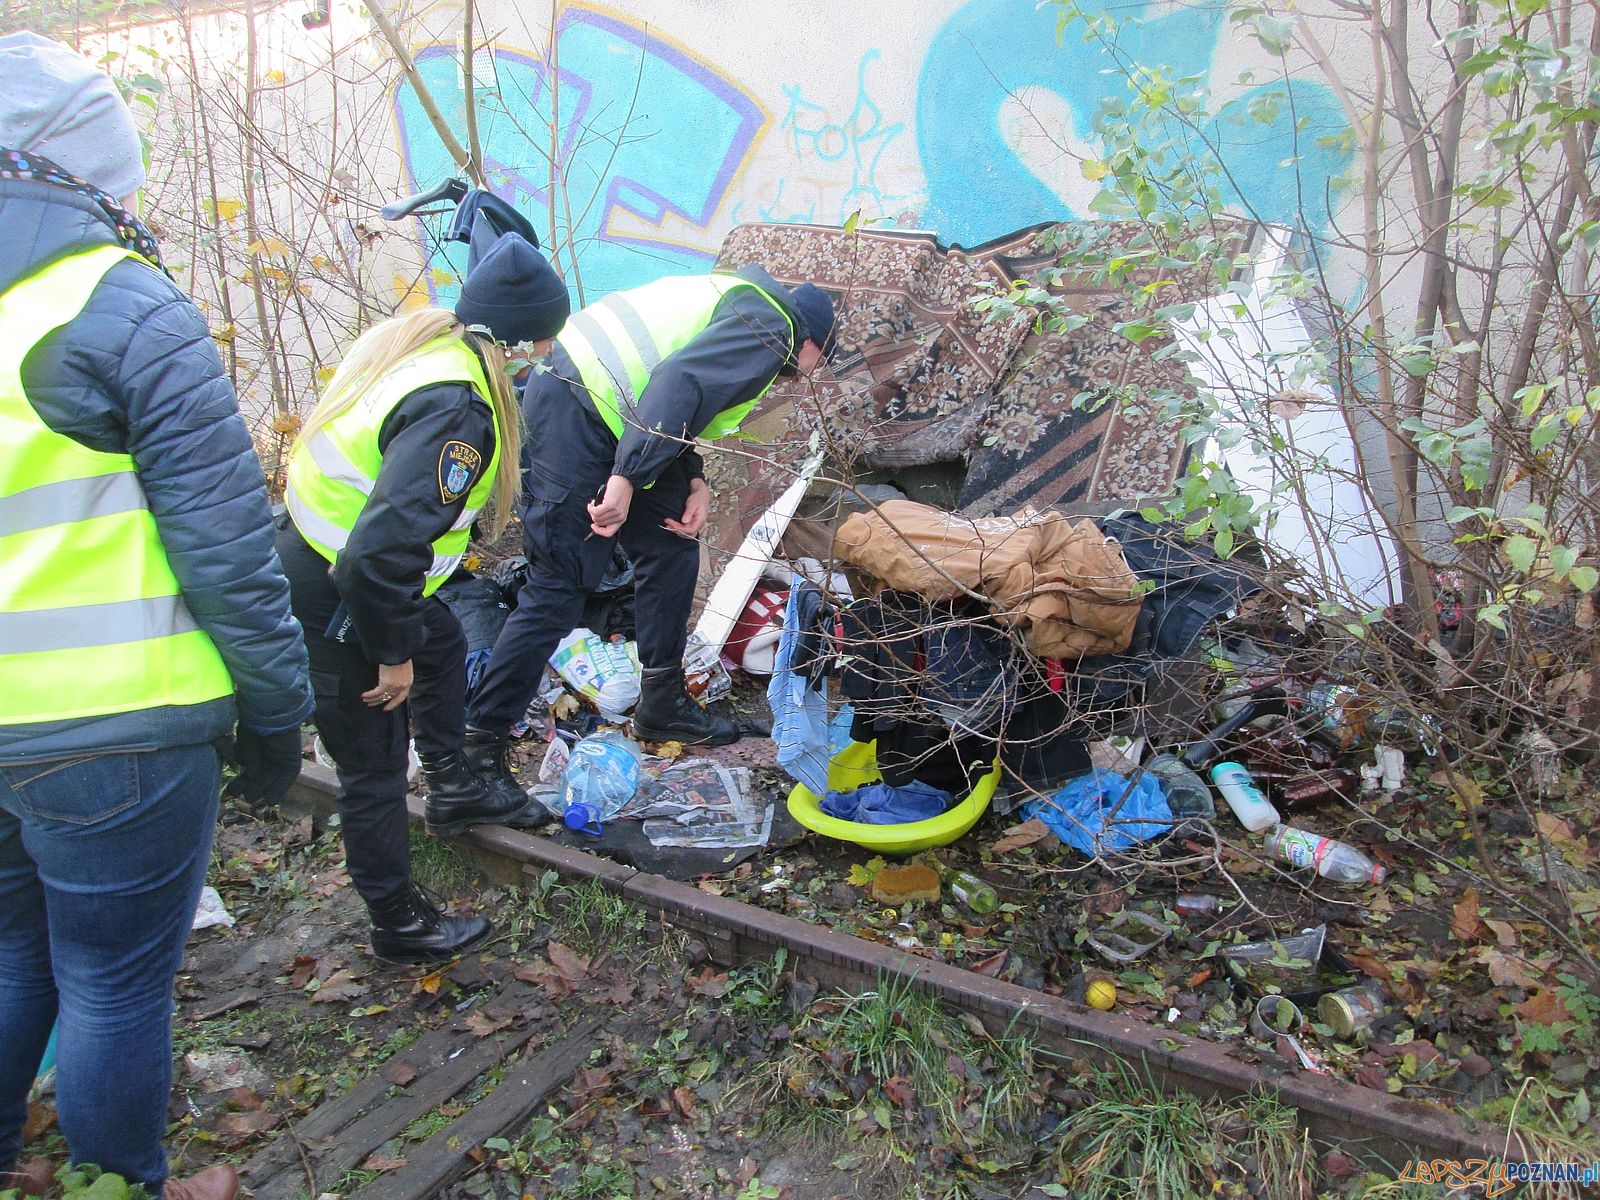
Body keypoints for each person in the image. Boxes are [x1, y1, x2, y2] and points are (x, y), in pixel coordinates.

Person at [0, 32, 313, 1200]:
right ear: (81, 171)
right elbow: (230, 552)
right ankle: (114, 1180)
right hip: (120, 731)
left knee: (14, 953)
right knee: (114, 983)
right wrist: (279, 718)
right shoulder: (121, 305)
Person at [277, 225, 570, 965]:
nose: (539, 364)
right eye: (537, 349)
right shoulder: (459, 410)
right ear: (514, 344)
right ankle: (399, 923)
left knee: (440, 641)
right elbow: (378, 558)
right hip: (341, 586)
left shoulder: (431, 349)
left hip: (328, 562)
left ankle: (452, 787)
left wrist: (414, 639)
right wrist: (390, 656)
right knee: (373, 767)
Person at [462, 265, 837, 788]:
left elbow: (678, 402)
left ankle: (663, 703)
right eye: (815, 366)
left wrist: (695, 480)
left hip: (618, 415)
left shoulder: (749, 309)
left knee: (671, 542)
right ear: (813, 339)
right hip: (575, 404)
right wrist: (626, 477)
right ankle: (477, 747)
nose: (801, 380)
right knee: (558, 587)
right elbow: (678, 383)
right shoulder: (775, 329)